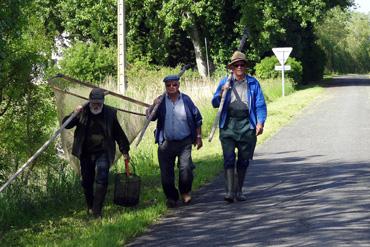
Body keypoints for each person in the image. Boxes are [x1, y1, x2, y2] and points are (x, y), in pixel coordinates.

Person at [63, 88, 130, 218]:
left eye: (99, 103)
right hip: (85, 153)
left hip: (103, 152)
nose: (96, 105)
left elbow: (118, 133)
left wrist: (125, 150)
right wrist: (74, 114)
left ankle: (97, 210)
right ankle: (90, 205)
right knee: (87, 181)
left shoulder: (110, 113)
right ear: (89, 101)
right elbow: (66, 125)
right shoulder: (82, 112)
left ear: (103, 102)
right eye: (94, 103)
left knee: (102, 179)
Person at [212, 51, 267, 203]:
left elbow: (260, 105)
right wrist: (222, 92)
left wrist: (260, 122)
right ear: (232, 67)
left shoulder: (253, 83)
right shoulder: (225, 82)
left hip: (246, 125)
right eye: (237, 65)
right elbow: (214, 103)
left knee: (243, 160)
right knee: (229, 159)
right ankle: (229, 192)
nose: (240, 67)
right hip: (228, 125)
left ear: (245, 67)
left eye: (242, 64)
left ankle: (239, 191)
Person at [147, 74, 203, 208]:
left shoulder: (186, 100)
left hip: (184, 142)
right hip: (166, 142)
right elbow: (150, 117)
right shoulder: (160, 101)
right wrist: (153, 104)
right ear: (165, 86)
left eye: (174, 84)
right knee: (166, 174)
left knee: (186, 169)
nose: (172, 87)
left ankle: (185, 192)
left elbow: (197, 119)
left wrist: (199, 137)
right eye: (168, 85)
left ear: (179, 85)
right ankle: (171, 197)